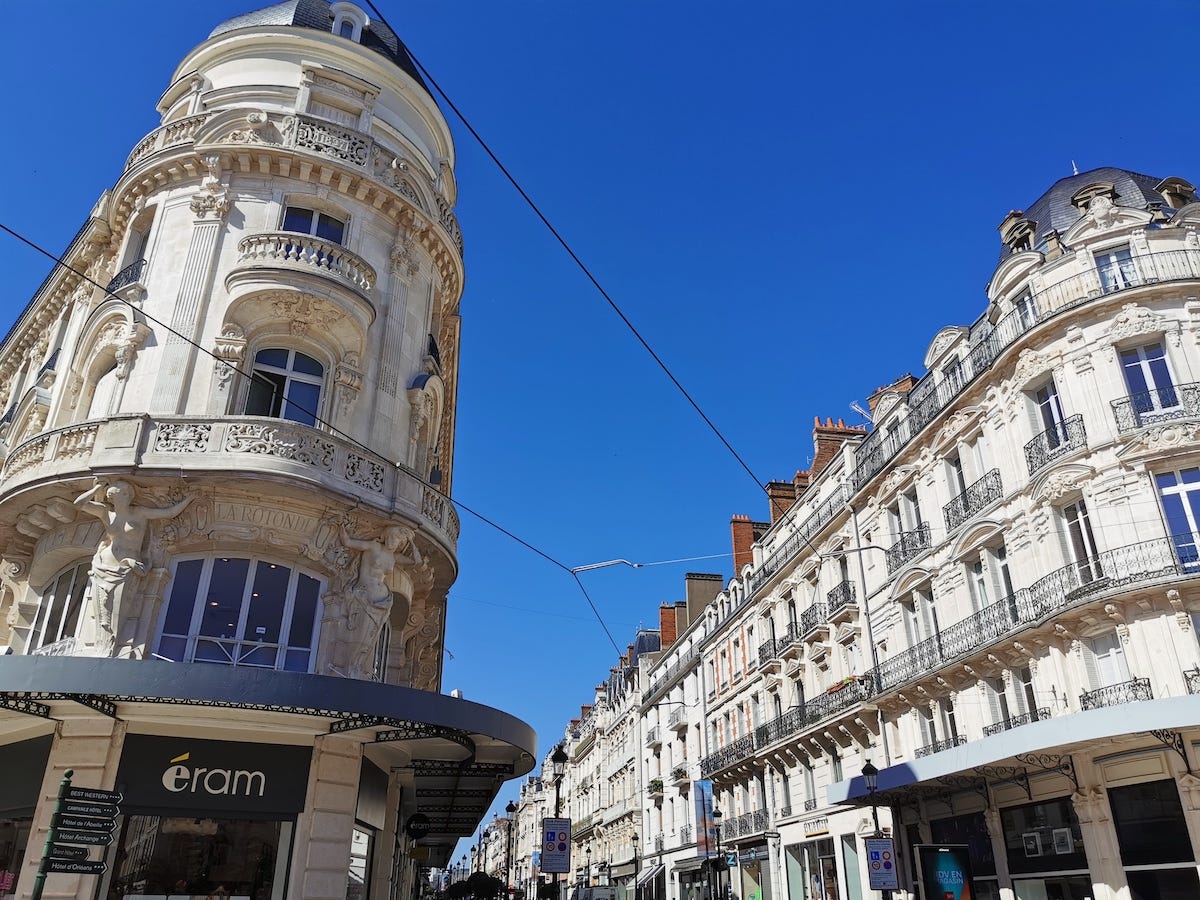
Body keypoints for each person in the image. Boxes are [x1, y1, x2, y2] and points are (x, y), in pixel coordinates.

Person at [74, 479, 193, 656]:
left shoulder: (139, 512)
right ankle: (102, 649)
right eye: (120, 495)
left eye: (127, 494)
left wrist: (189, 499)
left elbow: (169, 513)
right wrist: (98, 488)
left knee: (119, 614)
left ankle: (110, 650)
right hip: (105, 565)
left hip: (128, 566)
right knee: (103, 614)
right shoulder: (107, 512)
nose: (125, 497)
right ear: (112, 498)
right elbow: (79, 504)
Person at [340, 524, 420, 677]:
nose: (392, 541)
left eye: (396, 539)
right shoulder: (373, 547)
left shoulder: (394, 557)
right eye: (390, 537)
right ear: (385, 536)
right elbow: (347, 542)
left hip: (382, 599)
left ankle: (357, 667)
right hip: (365, 595)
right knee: (359, 633)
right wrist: (343, 526)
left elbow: (416, 561)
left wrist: (412, 542)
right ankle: (350, 668)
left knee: (370, 636)